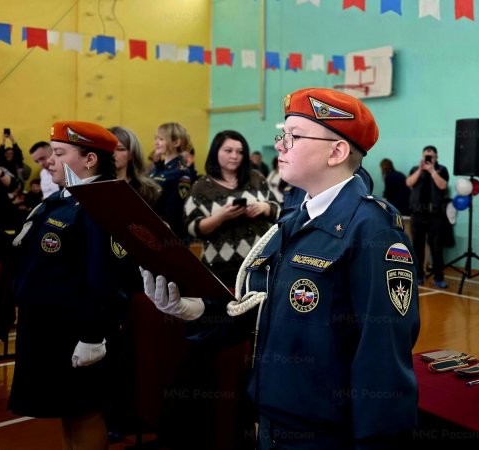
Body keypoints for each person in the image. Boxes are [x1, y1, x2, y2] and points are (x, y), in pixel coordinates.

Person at [143, 88, 420, 449]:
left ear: (337, 152)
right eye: (282, 134)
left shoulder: (371, 228)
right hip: (273, 417)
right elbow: (258, 308)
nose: (280, 146)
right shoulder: (293, 219)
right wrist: (192, 309)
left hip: (325, 433)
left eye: (294, 136)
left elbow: (383, 353)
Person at [7, 121, 124, 450]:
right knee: (67, 411)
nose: (50, 160)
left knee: (84, 410)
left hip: (76, 328)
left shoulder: (101, 203)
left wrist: (92, 336)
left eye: (59, 153)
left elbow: (103, 276)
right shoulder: (59, 200)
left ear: (90, 160)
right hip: (48, 327)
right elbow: (23, 250)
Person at [185, 130, 280, 283]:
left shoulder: (256, 178)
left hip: (259, 264)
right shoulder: (201, 187)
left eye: (240, 152)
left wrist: (264, 207)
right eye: (228, 151)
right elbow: (192, 227)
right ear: (216, 152)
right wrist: (220, 217)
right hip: (220, 267)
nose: (234, 156)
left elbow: (280, 211)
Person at [406, 145, 449, 288]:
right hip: (417, 214)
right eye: (426, 156)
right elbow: (409, 183)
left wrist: (432, 171)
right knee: (417, 247)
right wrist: (420, 169)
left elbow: (443, 186)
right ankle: (418, 276)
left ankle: (439, 277)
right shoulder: (415, 169)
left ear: (436, 157)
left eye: (431, 156)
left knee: (436, 247)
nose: (428, 158)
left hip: (435, 215)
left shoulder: (442, 170)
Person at [150, 122, 193, 242]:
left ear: (176, 143)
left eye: (161, 139)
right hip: (154, 229)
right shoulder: (157, 169)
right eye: (156, 138)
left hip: (170, 235)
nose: (156, 142)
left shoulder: (181, 172)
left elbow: (176, 208)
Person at [109, 126, 161, 207]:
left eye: (120, 149)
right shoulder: (93, 186)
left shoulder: (146, 190)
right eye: (110, 148)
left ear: (132, 154)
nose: (113, 154)